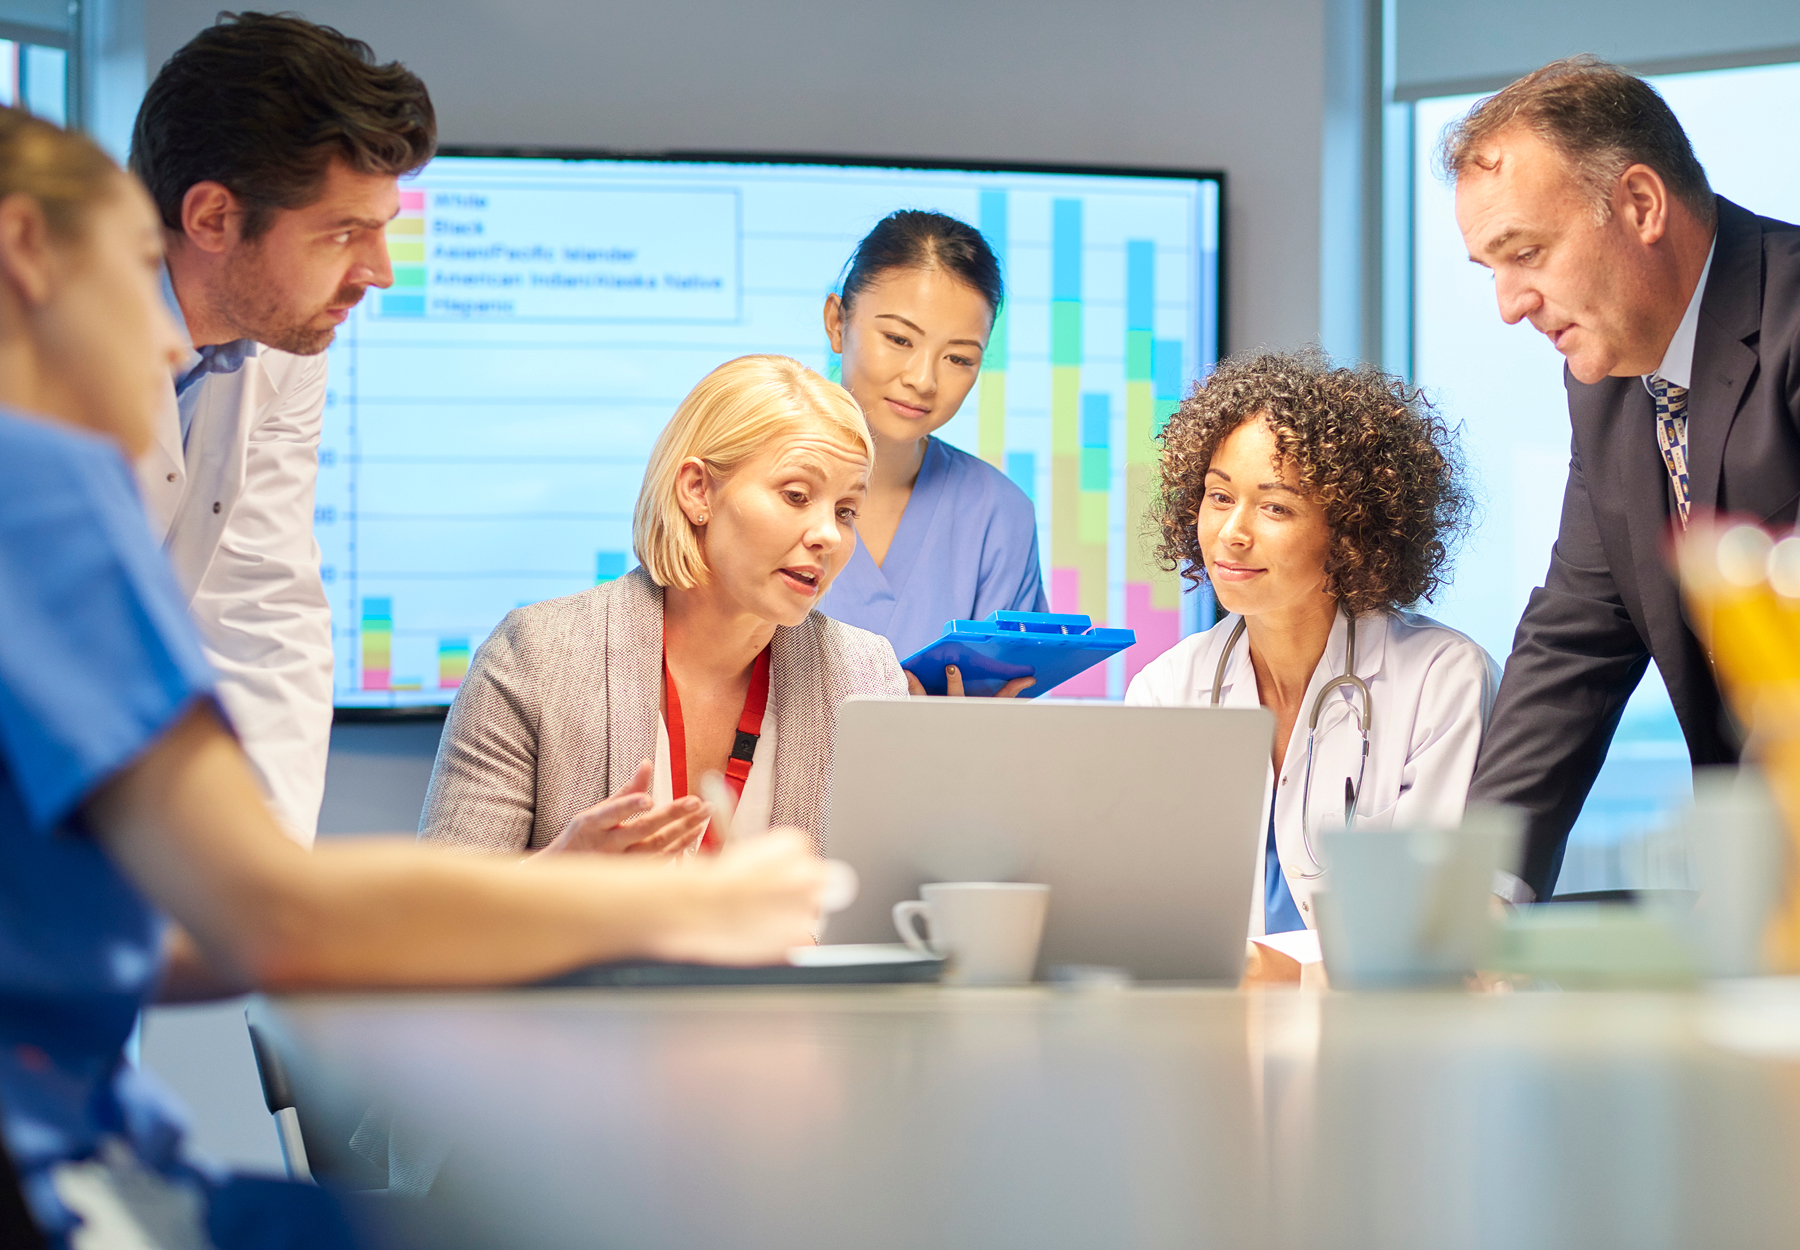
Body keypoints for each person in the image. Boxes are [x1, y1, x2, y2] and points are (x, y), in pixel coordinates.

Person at [0, 110, 828, 1247]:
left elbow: (148, 943)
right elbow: (273, 914)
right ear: (24, 253)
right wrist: (665, 900)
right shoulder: (38, 485)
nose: (171, 345)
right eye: (141, 273)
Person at [1444, 56, 1800, 900]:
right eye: (1489, 269)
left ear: (1640, 205)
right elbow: (1575, 636)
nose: (1509, 304)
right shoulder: (1608, 386)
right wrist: (1481, 897)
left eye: (1525, 252)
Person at [127, 13, 436, 841]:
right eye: (344, 233)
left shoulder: (282, 334)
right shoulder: (43, 351)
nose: (378, 272)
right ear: (213, 219)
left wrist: (264, 876)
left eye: (382, 228)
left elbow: (259, 607)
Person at [420, 354, 908, 855]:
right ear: (697, 491)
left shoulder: (865, 676)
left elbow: (886, 907)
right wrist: (559, 876)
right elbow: (438, 919)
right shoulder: (536, 658)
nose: (829, 534)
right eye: (797, 495)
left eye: (846, 511)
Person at [1125, 350, 1496, 937]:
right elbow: (1145, 911)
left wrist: (1287, 973)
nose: (1232, 533)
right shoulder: (1166, 689)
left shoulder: (1440, 679)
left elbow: (1435, 922)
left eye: (1275, 507)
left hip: (1379, 1021)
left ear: (1351, 526)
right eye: (1219, 496)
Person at [816, 210, 1047, 695]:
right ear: (838, 323)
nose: (923, 380)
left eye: (959, 358)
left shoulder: (998, 514)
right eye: (899, 339)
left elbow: (1005, 718)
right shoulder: (751, 484)